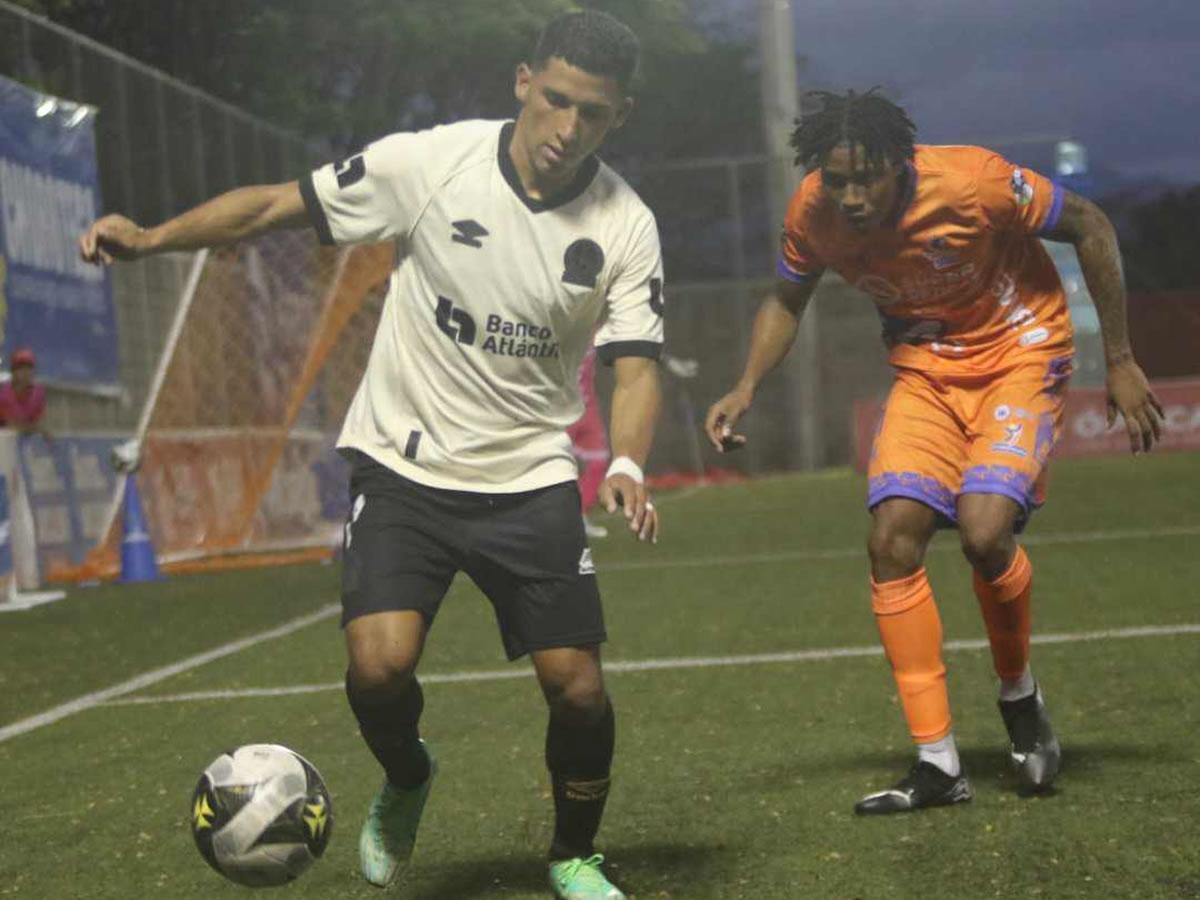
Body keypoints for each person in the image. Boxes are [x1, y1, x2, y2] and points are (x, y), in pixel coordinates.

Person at [80, 10, 664, 897]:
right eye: (556, 101)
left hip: (530, 475)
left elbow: (635, 366)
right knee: (379, 668)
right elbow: (276, 204)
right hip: (403, 465)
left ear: (618, 118)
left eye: (593, 113)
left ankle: (573, 856)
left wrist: (624, 462)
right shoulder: (430, 164)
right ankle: (407, 774)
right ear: (523, 82)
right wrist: (154, 238)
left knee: (577, 688)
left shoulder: (626, 223)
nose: (568, 128)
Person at [705, 89, 1163, 815]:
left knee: (985, 535)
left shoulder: (974, 182)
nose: (851, 197)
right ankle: (938, 765)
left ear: (901, 163)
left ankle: (1019, 696)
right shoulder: (812, 214)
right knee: (891, 539)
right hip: (926, 370)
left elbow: (1090, 223)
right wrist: (745, 386)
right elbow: (787, 299)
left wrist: (1122, 357)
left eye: (868, 178)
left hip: (1020, 352)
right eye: (837, 179)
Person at [569, 345, 612, 539]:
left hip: (587, 409)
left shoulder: (596, 332)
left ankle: (578, 515)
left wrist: (664, 359)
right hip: (560, 410)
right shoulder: (559, 325)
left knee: (600, 461)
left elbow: (628, 346)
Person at [0, 348, 52, 442]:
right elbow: (10, 426)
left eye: (29, 368)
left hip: (26, 445)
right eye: (21, 368)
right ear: (13, 372)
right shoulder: (4, 394)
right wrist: (35, 428)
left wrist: (38, 428)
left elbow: (42, 423)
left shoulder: (38, 393)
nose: (26, 372)